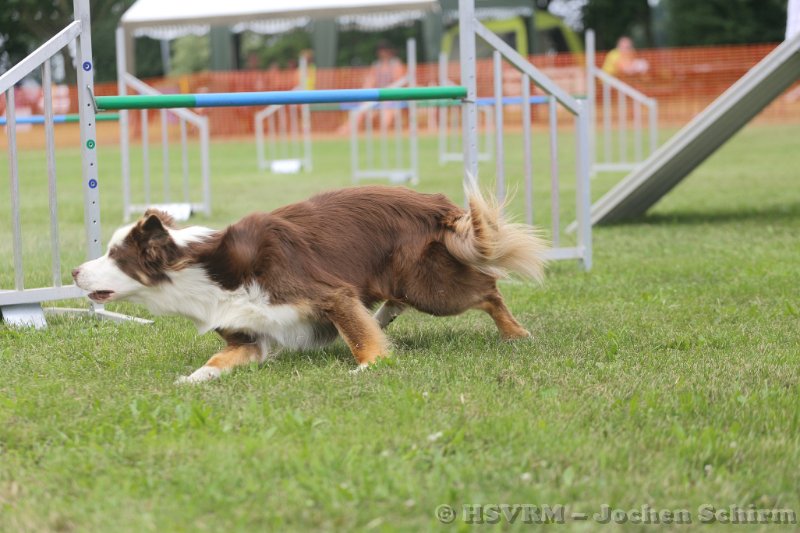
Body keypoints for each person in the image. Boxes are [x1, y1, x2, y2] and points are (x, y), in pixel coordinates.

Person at [338, 40, 406, 134]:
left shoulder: (396, 64)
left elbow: (398, 82)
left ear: (389, 51)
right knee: (361, 109)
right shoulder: (376, 65)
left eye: (384, 50)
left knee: (386, 112)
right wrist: (364, 94)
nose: (382, 53)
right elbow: (370, 82)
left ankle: (382, 134)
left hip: (391, 97)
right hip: (377, 96)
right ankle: (345, 129)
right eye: (381, 50)